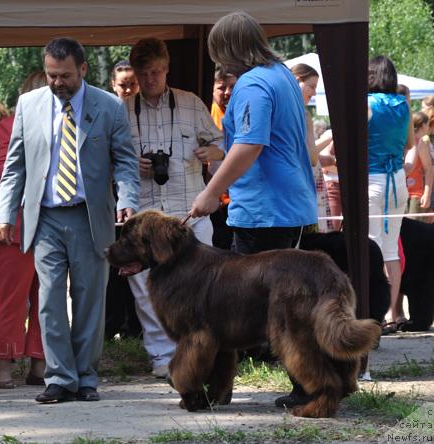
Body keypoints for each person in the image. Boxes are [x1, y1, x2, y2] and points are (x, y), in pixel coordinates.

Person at [0, 37, 139, 403]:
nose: (57, 83)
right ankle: (59, 377)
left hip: (90, 217)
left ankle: (87, 377)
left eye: (65, 76)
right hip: (44, 217)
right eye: (51, 76)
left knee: (90, 297)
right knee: (49, 299)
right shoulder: (29, 104)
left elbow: (124, 161)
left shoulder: (109, 107)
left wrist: (128, 199)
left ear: (84, 70)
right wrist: (3, 213)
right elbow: (15, 166)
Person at [189, 11, 317, 408]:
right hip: (288, 205)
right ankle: (309, 386)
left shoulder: (253, 84)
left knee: (233, 307)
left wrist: (212, 192)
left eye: (218, 56)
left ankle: (218, 388)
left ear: (228, 51)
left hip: (264, 210)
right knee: (286, 307)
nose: (219, 67)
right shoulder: (282, 76)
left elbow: (251, 146)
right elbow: (266, 140)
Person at [124, 37, 223, 378]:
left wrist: (213, 153)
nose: (150, 79)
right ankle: (162, 357)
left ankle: (201, 352)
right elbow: (108, 161)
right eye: (143, 73)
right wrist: (129, 165)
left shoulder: (191, 103)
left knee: (202, 285)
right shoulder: (123, 111)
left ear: (166, 69)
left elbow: (223, 143)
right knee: (146, 289)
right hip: (144, 215)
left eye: (155, 72)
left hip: (189, 209)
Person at [0, 71, 47, 388]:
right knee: (12, 298)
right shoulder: (9, 125)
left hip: (53, 223)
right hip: (15, 226)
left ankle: (39, 365)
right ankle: (4, 367)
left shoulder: (66, 123)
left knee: (48, 299)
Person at [364, 56, 412, 335]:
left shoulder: (365, 104)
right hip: (398, 181)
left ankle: (372, 313)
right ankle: (391, 315)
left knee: (370, 247)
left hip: (372, 180)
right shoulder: (403, 105)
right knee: (391, 249)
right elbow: (408, 144)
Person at [105, 60, 141, 340]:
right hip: (110, 197)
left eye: (133, 83)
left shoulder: (146, 114)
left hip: (138, 199)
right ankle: (110, 325)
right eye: (123, 85)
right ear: (112, 86)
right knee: (112, 265)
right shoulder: (107, 113)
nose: (128, 89)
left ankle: (133, 327)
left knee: (135, 263)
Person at [290, 63, 333, 233]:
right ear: (297, 80)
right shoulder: (303, 114)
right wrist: (328, 138)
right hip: (299, 190)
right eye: (312, 86)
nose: (314, 93)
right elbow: (312, 157)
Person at [209, 66, 236, 249]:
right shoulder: (207, 115)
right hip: (214, 199)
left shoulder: (241, 112)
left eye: (232, 87)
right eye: (221, 87)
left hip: (236, 198)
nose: (227, 93)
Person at [405, 112, 432, 220]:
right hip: (401, 192)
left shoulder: (420, 143)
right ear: (424, 125)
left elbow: (429, 169)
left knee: (414, 228)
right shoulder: (408, 141)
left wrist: (427, 194)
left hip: (415, 194)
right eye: (428, 124)